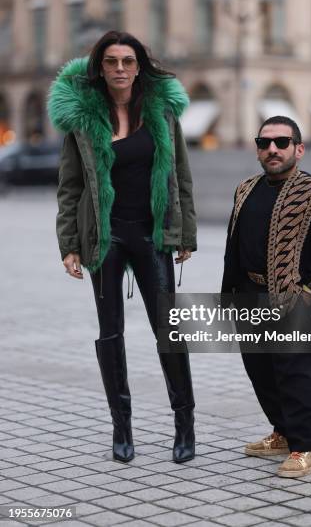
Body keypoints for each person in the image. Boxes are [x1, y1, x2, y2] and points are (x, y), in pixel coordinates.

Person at [48, 31, 197, 464]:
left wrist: (183, 232)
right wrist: (69, 244)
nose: (119, 69)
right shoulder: (82, 119)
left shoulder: (162, 113)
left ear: (139, 66)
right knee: (110, 333)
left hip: (151, 234)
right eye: (111, 61)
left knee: (168, 332)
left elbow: (181, 176)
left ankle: (184, 425)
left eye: (127, 61)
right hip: (105, 235)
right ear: (100, 67)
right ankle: (122, 426)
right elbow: (70, 187)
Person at [221, 116, 311, 478]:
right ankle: (282, 432)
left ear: (298, 149)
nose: (272, 149)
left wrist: (310, 292)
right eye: (264, 142)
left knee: (294, 372)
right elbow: (233, 246)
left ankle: (306, 446)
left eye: (281, 142)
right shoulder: (245, 189)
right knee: (259, 370)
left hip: (289, 297)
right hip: (247, 293)